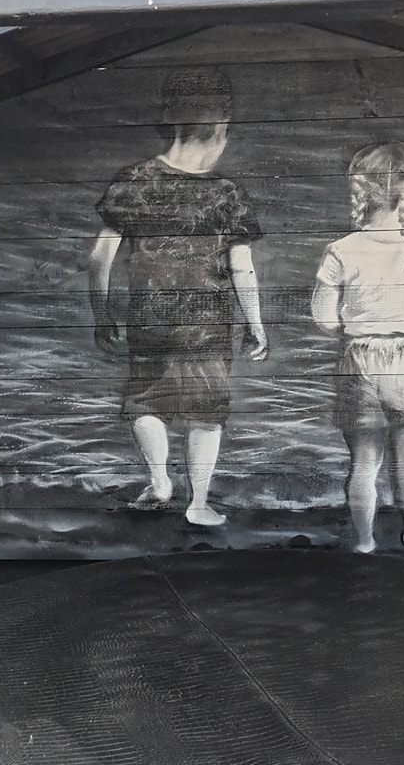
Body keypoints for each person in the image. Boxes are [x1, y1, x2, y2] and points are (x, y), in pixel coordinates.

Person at [88, 69, 268, 527]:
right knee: (206, 414)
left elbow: (100, 257)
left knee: (146, 402)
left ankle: (159, 480)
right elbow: (241, 267)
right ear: (221, 131)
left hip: (149, 319)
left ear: (171, 123)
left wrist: (102, 314)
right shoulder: (227, 194)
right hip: (207, 323)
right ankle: (198, 502)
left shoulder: (133, 180)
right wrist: (256, 322)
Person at [311, 142, 404, 554]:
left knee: (364, 460)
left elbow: (323, 317)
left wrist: (352, 328)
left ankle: (365, 540)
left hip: (359, 357)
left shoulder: (342, 249)